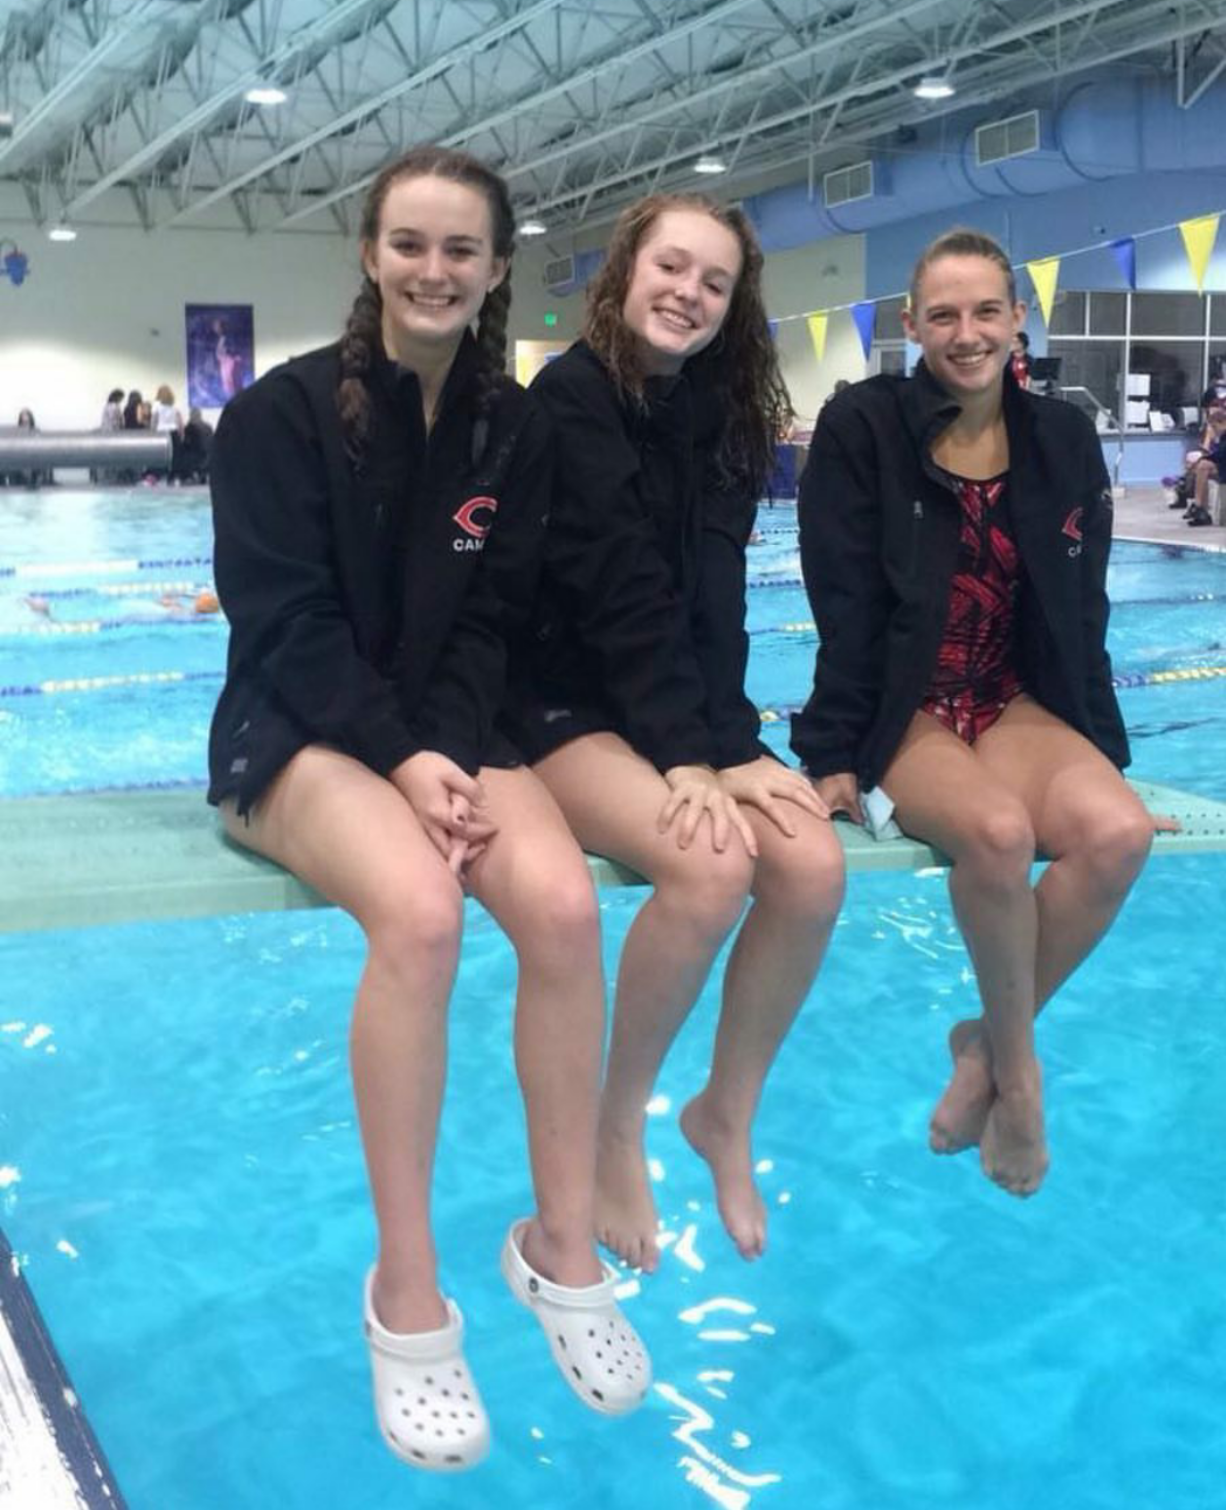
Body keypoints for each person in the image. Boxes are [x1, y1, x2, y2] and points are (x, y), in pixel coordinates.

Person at [207, 145, 649, 1473]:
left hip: (442, 737)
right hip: (293, 735)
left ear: (498, 268)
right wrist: (405, 760)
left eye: (462, 250)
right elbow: (284, 626)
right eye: (411, 244)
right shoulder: (282, 417)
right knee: (420, 913)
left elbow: (494, 617)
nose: (435, 270)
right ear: (369, 254)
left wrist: (445, 753)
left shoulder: (510, 430)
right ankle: (409, 1292)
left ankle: (558, 1246)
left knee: (564, 908)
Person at [793, 227, 1174, 1199]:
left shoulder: (1058, 436)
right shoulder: (860, 427)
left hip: (1011, 697)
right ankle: (1020, 1077)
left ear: (1015, 320)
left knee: (1117, 833)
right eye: (944, 315)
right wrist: (831, 752)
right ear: (912, 323)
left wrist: (1103, 757)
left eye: (985, 312)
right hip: (902, 703)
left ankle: (980, 1048)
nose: (965, 334)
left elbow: (1079, 607)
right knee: (997, 836)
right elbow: (835, 599)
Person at [507, 193, 845, 1272]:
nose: (686, 293)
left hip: (665, 713)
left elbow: (712, 594)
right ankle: (617, 1125)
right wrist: (692, 756)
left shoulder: (716, 408)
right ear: (624, 271)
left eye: (712, 281)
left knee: (811, 866)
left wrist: (735, 743)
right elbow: (620, 592)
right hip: (555, 703)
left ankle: (723, 1113)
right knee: (709, 867)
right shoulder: (569, 397)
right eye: (670, 266)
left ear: (732, 304)